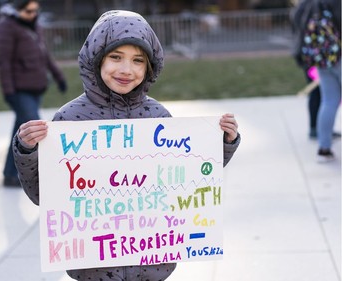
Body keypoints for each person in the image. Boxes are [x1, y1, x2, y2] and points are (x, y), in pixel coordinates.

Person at [12, 10, 241, 281]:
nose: (126, 69)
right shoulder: (68, 120)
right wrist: (27, 150)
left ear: (149, 67)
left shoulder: (159, 118)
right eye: (116, 57)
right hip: (92, 268)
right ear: (96, 58)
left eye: (138, 60)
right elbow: (44, 195)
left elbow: (191, 176)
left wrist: (224, 143)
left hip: (152, 266)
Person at [0, 0, 67, 187]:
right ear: (16, 9)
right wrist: (8, 91)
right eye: (28, 11)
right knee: (35, 130)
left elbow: (44, 55)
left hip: (36, 88)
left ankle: (10, 174)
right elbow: (4, 63)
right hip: (19, 90)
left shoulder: (34, 25)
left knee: (20, 131)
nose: (33, 14)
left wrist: (59, 77)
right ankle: (37, 174)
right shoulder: (6, 27)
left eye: (36, 10)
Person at [291, 0, 341, 162]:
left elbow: (297, 21)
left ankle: (324, 149)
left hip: (322, 58)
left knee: (328, 101)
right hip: (339, 57)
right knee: (329, 101)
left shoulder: (311, 3)